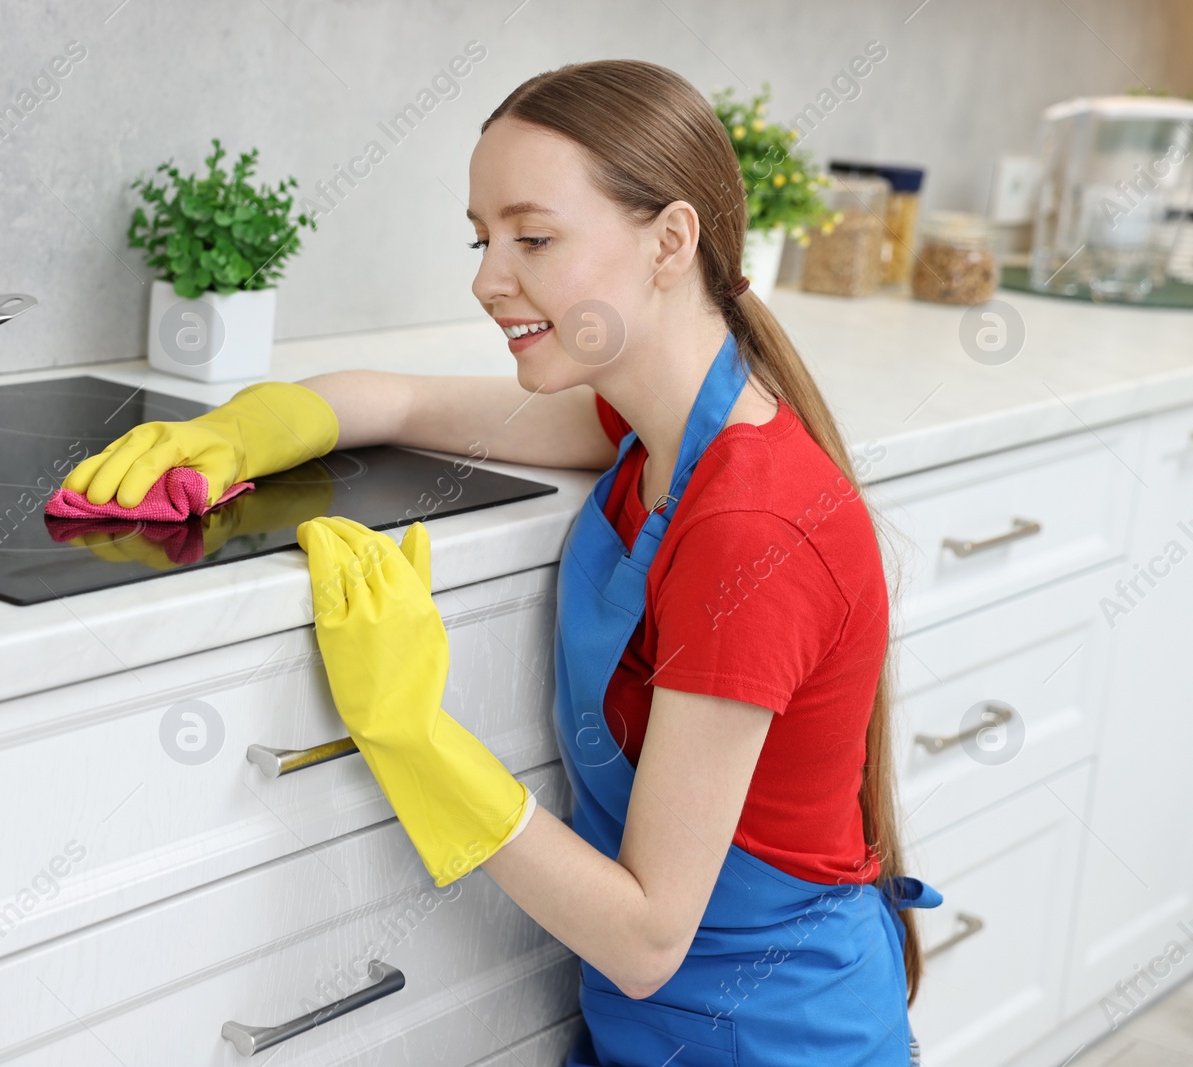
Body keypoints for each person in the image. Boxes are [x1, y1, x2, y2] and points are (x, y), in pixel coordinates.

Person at [63, 59, 939, 1067]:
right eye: (483, 238)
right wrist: (240, 429)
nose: (487, 277)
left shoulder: (750, 523)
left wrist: (411, 733)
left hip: (772, 1043)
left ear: (669, 241)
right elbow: (404, 402)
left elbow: (647, 936)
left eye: (533, 237)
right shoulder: (655, 426)